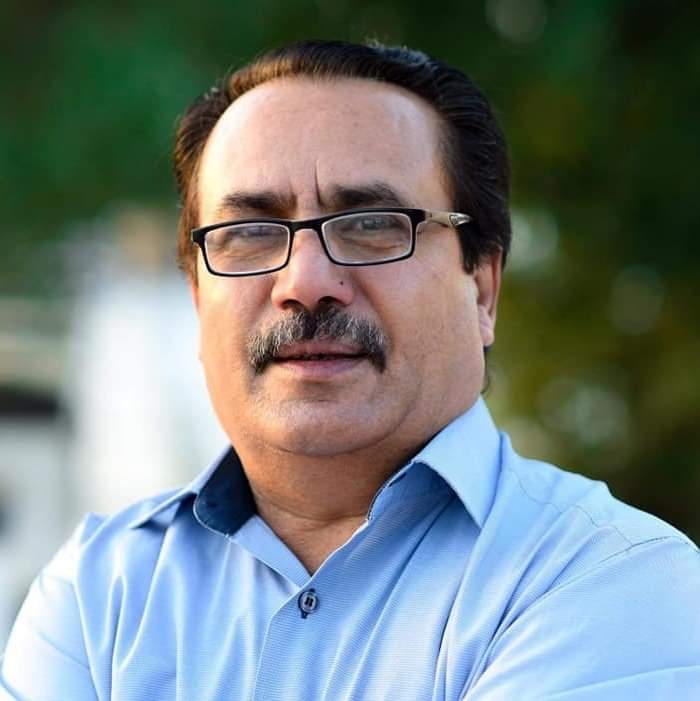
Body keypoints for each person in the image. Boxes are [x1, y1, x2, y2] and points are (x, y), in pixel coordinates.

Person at [1, 39, 698, 700]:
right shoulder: (98, 593)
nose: (306, 283)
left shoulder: (617, 579)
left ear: (482, 288)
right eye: (249, 233)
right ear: (197, 299)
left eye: (371, 224)